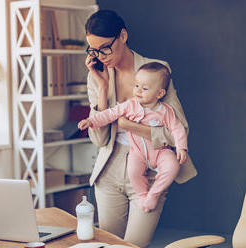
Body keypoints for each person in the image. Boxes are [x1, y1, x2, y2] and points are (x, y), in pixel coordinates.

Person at [83, 10, 197, 248]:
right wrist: (102, 89)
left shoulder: (156, 70)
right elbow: (99, 139)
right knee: (108, 245)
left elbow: (178, 130)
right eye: (93, 50)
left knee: (134, 246)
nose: (100, 56)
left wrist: (130, 126)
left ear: (123, 36)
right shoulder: (96, 76)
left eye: (105, 48)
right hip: (110, 170)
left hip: (149, 170)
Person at [79, 62, 188, 213]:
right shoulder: (130, 105)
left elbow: (177, 128)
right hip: (137, 152)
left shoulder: (165, 110)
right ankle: (143, 195)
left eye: (145, 88)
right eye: (136, 86)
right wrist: (91, 121)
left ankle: (154, 194)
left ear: (160, 94)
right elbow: (110, 114)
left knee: (172, 166)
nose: (138, 91)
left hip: (161, 151)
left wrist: (181, 147)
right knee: (133, 171)